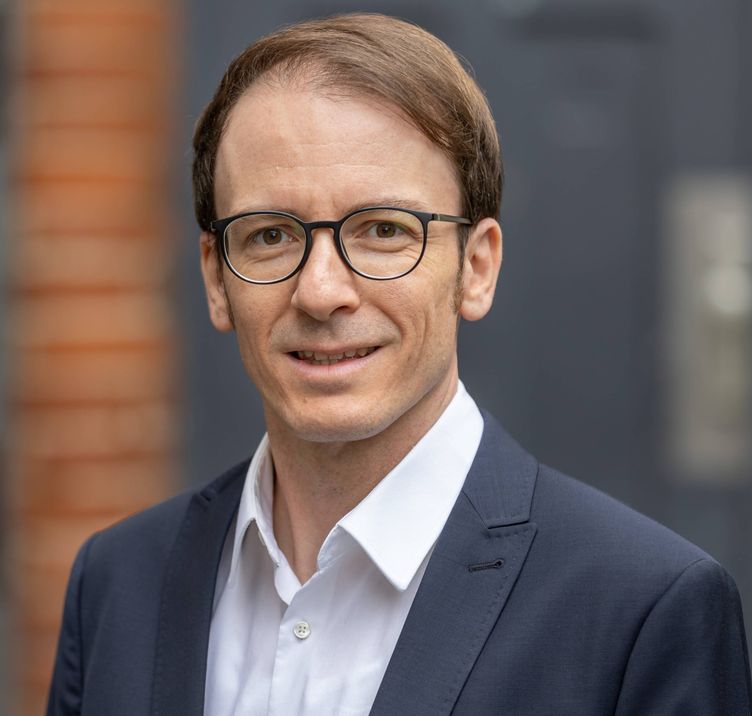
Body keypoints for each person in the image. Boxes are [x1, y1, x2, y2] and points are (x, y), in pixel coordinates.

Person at [47, 13, 751, 716]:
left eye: (383, 230)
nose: (321, 291)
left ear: (476, 268)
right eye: (270, 235)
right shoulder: (116, 584)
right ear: (215, 278)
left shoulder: (643, 611)